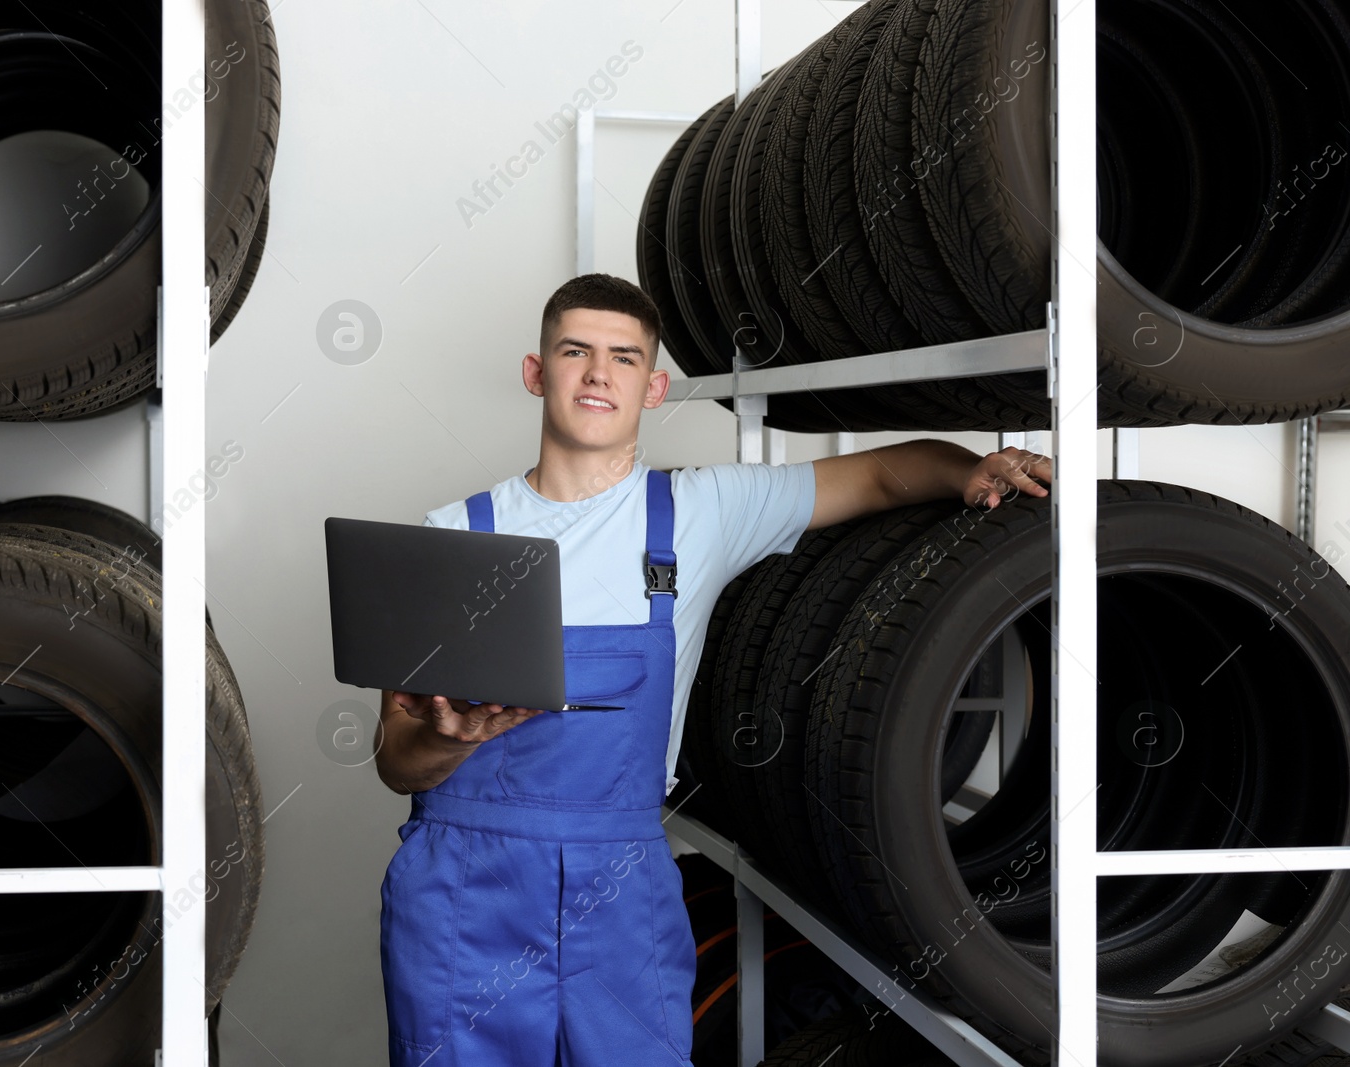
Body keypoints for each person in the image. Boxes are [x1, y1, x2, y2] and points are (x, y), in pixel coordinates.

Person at [371, 273, 1052, 1065]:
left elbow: (874, 475)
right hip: (463, 891)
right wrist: (450, 739)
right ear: (537, 372)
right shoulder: (452, 536)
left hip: (619, 889)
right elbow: (395, 760)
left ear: (653, 386)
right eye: (575, 351)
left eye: (623, 358)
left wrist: (968, 468)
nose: (599, 373)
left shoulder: (701, 512)